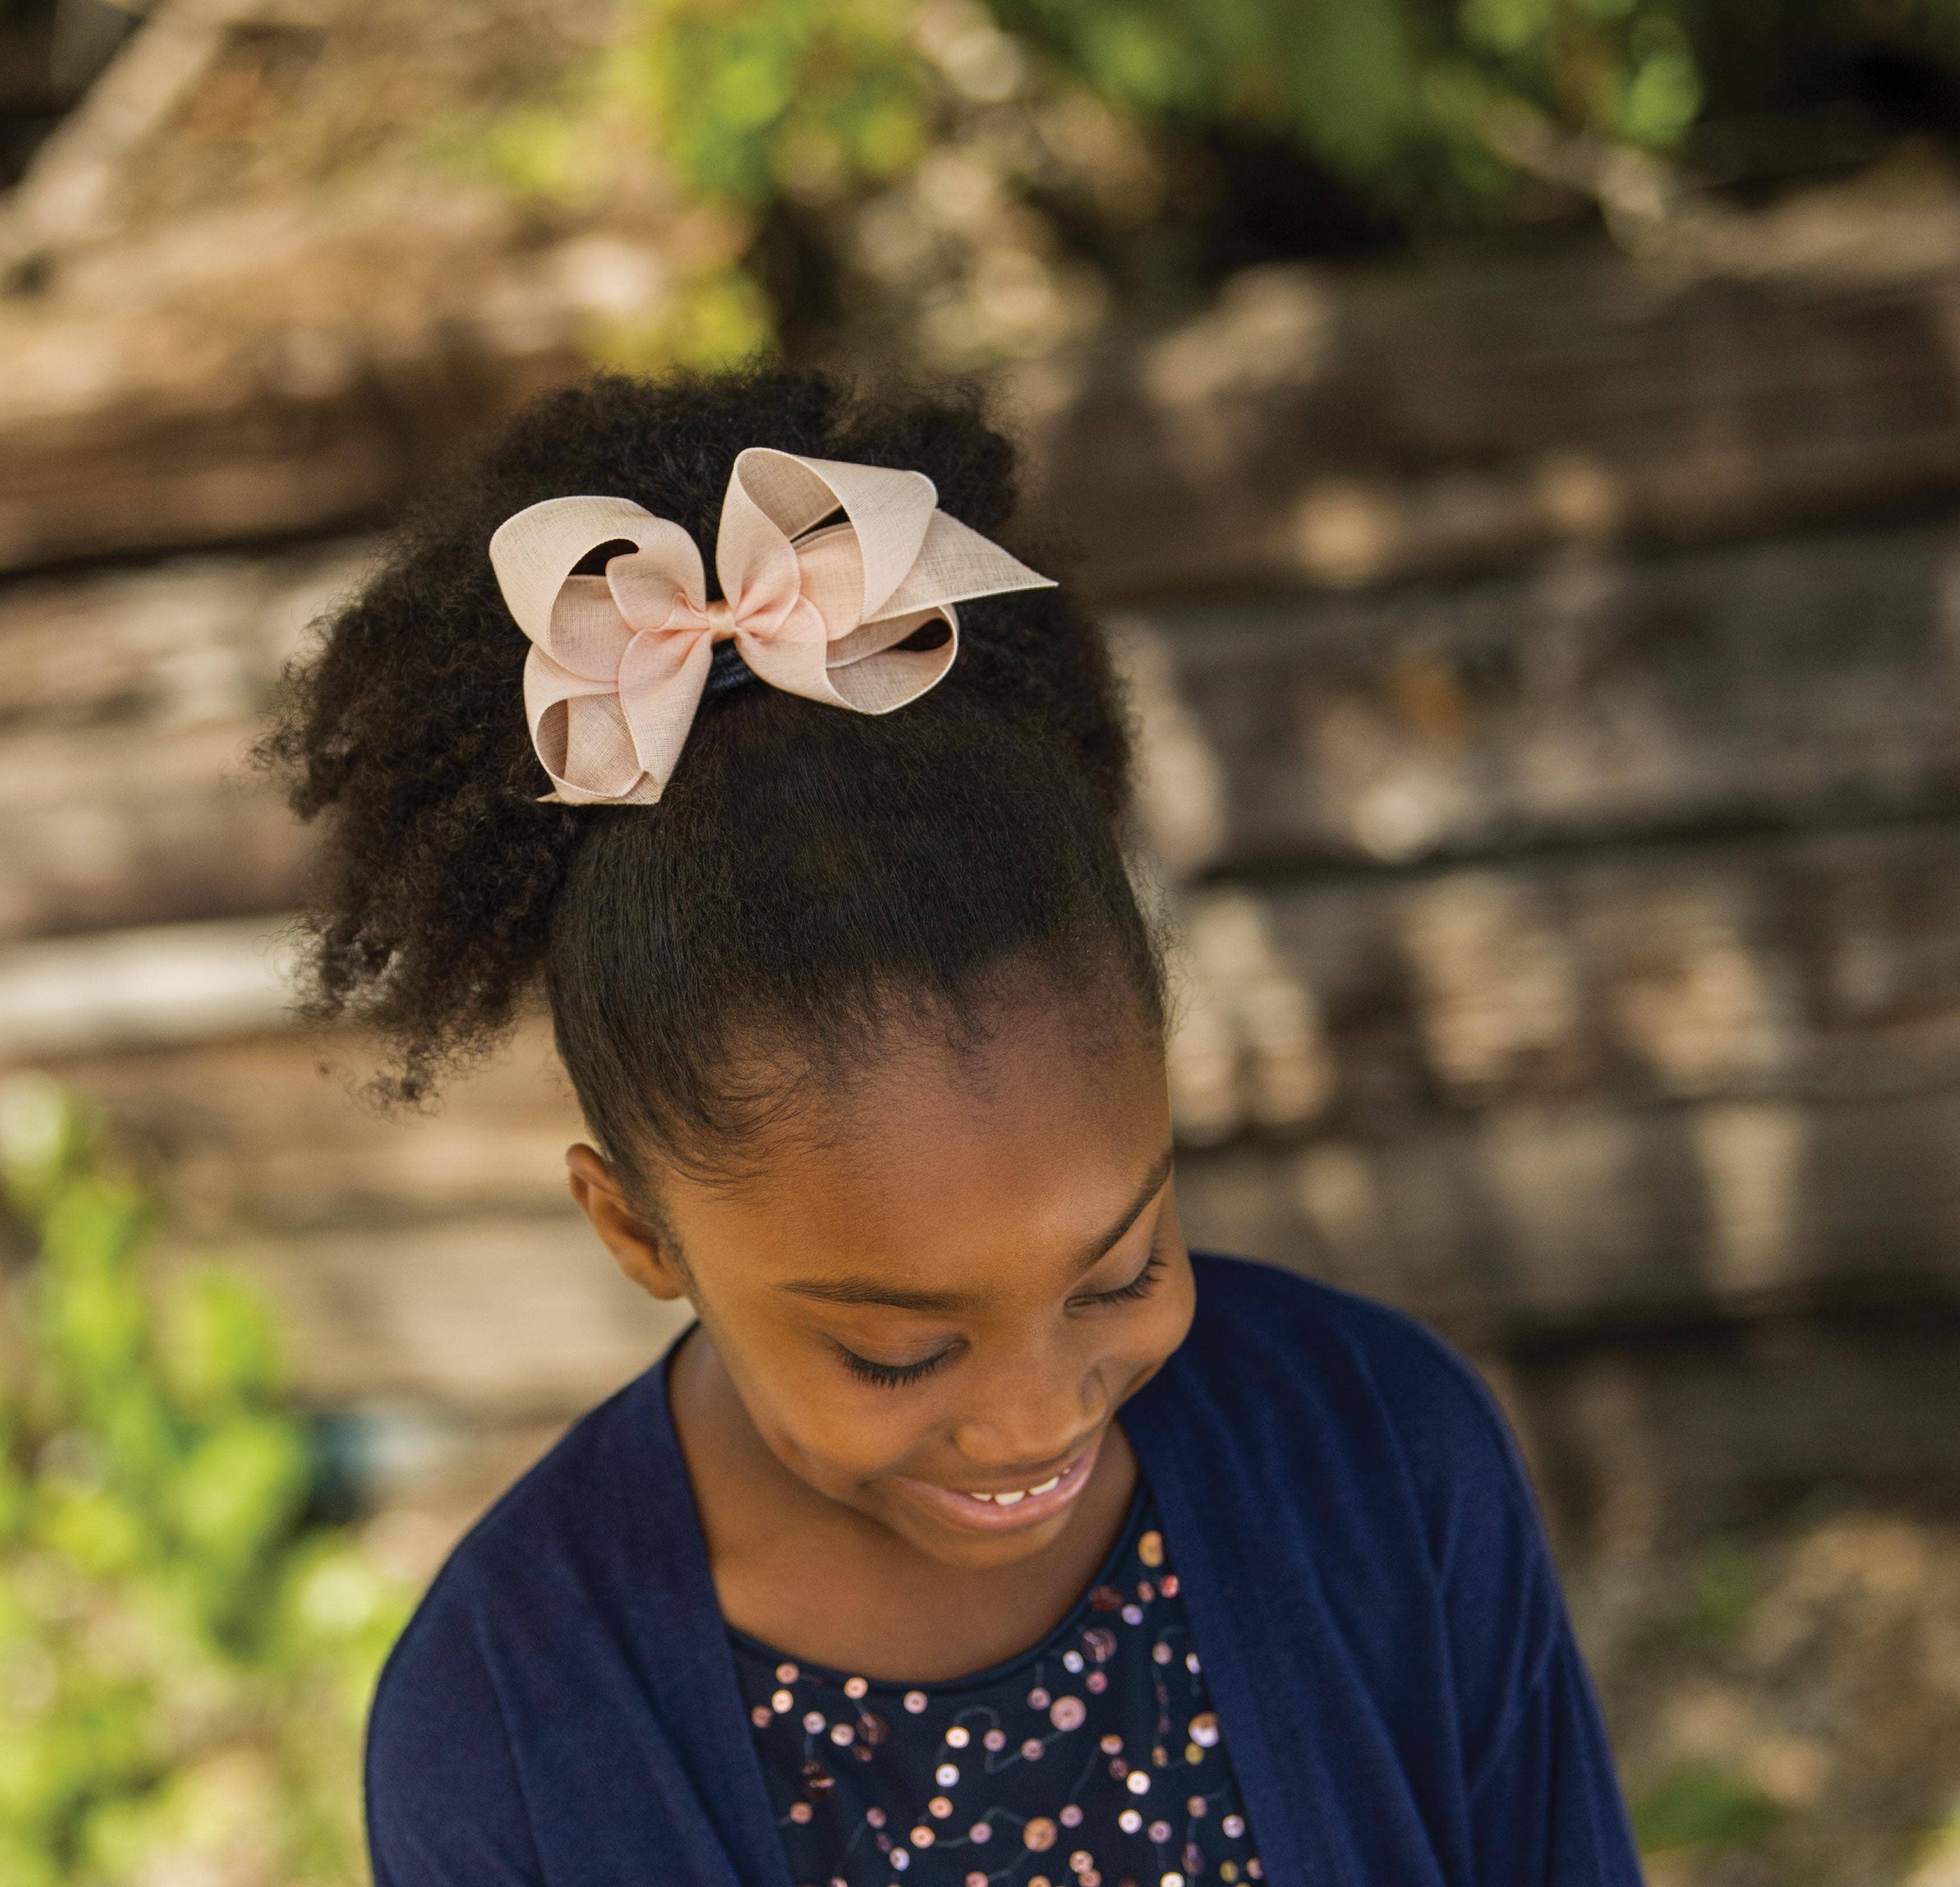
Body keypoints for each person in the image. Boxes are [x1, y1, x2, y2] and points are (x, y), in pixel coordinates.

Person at [265, 368, 1643, 1887]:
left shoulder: (1383, 1461)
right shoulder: (508, 1729)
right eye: (900, 1351)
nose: (1039, 1417)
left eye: (1118, 1272)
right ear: (638, 1230)